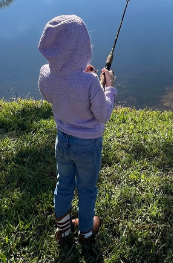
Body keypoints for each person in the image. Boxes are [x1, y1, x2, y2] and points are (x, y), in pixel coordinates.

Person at [37, 15, 117, 245]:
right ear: (82, 47)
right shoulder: (92, 82)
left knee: (64, 184)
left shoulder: (46, 75)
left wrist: (83, 73)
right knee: (87, 188)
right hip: (88, 146)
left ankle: (63, 230)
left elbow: (62, 90)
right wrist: (108, 88)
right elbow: (103, 114)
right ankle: (86, 232)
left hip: (63, 142)